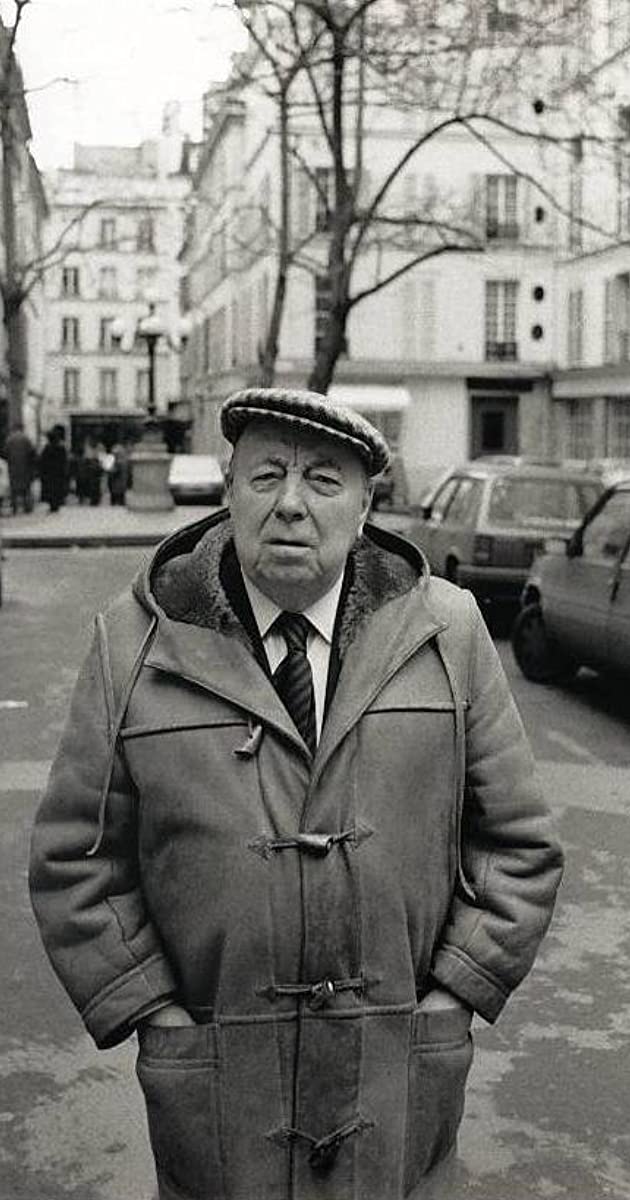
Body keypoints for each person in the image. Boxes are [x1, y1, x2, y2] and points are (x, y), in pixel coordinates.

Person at [29, 388, 563, 1200]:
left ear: (364, 506)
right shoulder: (133, 642)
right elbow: (77, 857)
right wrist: (154, 1012)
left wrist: (457, 991)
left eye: (322, 480)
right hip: (217, 1087)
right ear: (229, 489)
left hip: (398, 1079)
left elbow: (518, 842)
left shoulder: (448, 632)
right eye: (266, 475)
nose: (289, 504)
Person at [4, 422, 36, 514]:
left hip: (13, 467)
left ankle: (15, 507)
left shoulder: (9, 439)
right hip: (25, 467)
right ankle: (27, 507)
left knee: (14, 489)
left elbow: (5, 453)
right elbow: (32, 452)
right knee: (26, 488)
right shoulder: (26, 439)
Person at [39, 425, 68, 514]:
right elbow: (64, 461)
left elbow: (42, 461)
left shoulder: (47, 448)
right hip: (58, 473)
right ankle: (56, 504)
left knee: (51, 489)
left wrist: (42, 472)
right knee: (57, 489)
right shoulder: (61, 448)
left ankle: (53, 505)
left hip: (49, 473)